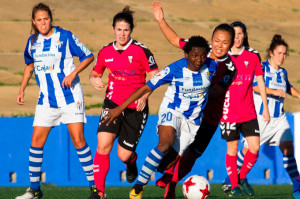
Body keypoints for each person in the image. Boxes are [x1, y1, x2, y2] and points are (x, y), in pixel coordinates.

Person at [102, 35, 218, 199]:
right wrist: (119, 108)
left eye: (202, 56)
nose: (199, 60)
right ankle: (138, 187)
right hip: (172, 110)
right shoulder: (174, 69)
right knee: (165, 144)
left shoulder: (212, 66)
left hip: (193, 120)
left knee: (167, 163)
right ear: (186, 55)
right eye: (194, 55)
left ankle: (154, 169)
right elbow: (145, 88)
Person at [150, 2, 236, 198]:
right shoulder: (200, 51)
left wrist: (199, 85)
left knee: (193, 154)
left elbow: (216, 93)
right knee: (175, 146)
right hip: (187, 113)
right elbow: (174, 40)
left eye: (225, 43)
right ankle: (167, 176)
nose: (220, 45)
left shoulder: (230, 67)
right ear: (212, 40)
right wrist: (161, 20)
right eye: (217, 40)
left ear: (230, 45)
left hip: (209, 119)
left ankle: (171, 182)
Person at [15, 3, 95, 199]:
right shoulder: (32, 42)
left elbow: (88, 56)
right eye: (39, 20)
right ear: (34, 22)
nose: (43, 23)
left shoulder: (65, 36)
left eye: (46, 19)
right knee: (35, 141)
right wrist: (22, 89)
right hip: (46, 100)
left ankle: (96, 188)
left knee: (78, 140)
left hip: (70, 97)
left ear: (51, 18)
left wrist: (73, 73)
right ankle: (34, 189)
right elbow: (29, 66)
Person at [87, 6, 158, 199]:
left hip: (136, 107)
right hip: (112, 104)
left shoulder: (141, 51)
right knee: (102, 145)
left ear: (131, 30)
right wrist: (94, 78)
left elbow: (155, 77)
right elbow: (96, 71)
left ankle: (132, 161)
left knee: (123, 155)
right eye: (119, 29)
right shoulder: (105, 51)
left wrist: (145, 96)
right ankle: (98, 193)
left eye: (126, 30)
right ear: (113, 29)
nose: (122, 34)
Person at [222, 34, 300, 199]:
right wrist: (274, 92)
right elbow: (255, 87)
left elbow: (287, 87)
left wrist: (298, 95)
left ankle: (297, 186)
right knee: (248, 151)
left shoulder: (283, 73)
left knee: (288, 149)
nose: (283, 57)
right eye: (279, 53)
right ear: (271, 53)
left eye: (285, 54)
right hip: (262, 118)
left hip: (279, 119)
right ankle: (231, 179)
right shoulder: (262, 67)